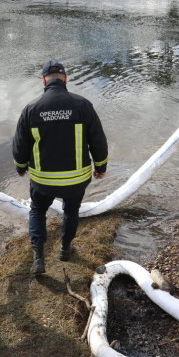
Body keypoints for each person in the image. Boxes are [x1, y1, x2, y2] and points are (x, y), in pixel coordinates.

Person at [12, 60, 108, 274]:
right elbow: (98, 140)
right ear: (65, 79)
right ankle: (65, 250)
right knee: (71, 211)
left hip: (43, 181)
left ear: (43, 80)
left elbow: (20, 144)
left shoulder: (31, 109)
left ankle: (38, 257)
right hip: (76, 180)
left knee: (37, 210)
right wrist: (100, 166)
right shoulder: (82, 105)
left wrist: (20, 167)